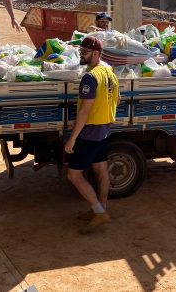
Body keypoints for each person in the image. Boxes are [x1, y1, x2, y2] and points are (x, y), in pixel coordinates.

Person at [64, 36, 120, 233]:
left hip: (90, 132)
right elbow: (118, 98)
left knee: (74, 175)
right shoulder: (109, 71)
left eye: (85, 52)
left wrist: (72, 138)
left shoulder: (90, 77)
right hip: (104, 129)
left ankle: (98, 212)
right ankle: (100, 209)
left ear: (96, 53)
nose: (81, 55)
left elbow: (85, 112)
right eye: (81, 51)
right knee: (100, 170)